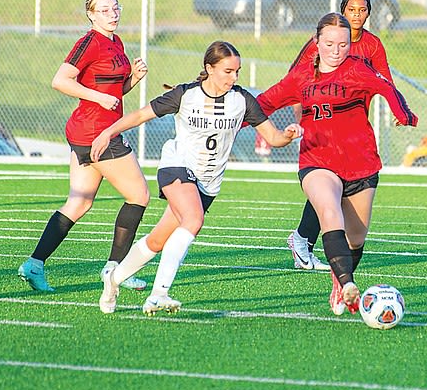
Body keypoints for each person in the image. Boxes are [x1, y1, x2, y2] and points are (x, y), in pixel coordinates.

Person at [91, 40, 303, 315]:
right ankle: (159, 294)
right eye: (228, 71)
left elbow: (273, 137)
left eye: (237, 71)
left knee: (157, 241)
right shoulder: (186, 95)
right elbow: (141, 115)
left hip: (208, 182)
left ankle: (114, 279)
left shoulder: (242, 101)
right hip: (177, 167)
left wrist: (287, 135)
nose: (234, 77)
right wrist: (108, 133)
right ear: (209, 68)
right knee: (193, 220)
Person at [256, 12, 418, 315]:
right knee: (329, 212)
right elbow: (262, 103)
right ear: (316, 42)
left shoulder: (358, 70)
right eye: (329, 43)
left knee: (356, 238)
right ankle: (346, 284)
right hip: (317, 160)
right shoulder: (302, 75)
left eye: (343, 45)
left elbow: (387, 88)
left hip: (361, 163)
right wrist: (219, 109)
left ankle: (339, 280)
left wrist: (404, 114)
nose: (336, 50)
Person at [18, 0, 150, 292]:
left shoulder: (116, 42)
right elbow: (60, 80)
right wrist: (98, 97)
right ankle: (116, 271)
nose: (113, 14)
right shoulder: (88, 42)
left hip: (95, 129)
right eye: (104, 10)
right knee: (139, 195)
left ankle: (34, 265)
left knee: (78, 203)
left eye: (116, 8)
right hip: (96, 132)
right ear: (91, 14)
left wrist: (133, 80)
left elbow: (113, 96)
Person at [286, 0, 394, 272]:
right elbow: (295, 78)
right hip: (322, 124)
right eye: (351, 10)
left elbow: (385, 80)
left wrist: (398, 109)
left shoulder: (372, 45)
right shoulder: (325, 42)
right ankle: (303, 242)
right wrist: (303, 116)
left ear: (368, 14)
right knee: (327, 181)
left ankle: (304, 241)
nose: (356, 15)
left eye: (362, 10)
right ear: (342, 12)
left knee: (340, 189)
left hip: (353, 130)